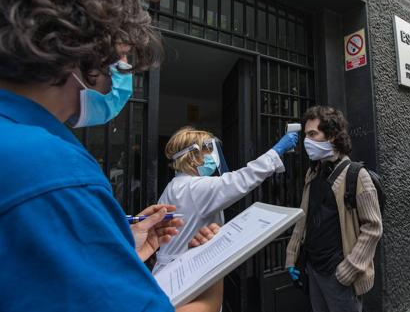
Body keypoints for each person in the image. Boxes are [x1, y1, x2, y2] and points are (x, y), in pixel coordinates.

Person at [0, 0, 193, 310]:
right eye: (119, 58)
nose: (120, 72)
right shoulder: (48, 168)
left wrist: (121, 243)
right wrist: (209, 294)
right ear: (84, 47)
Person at [153, 126, 297, 311]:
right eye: (209, 150)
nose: (213, 157)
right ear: (193, 157)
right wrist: (276, 151)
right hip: (187, 280)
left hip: (170, 275)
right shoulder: (195, 188)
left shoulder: (176, 185)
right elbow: (241, 179)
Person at [285, 106, 382, 312]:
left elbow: (373, 227)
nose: (306, 141)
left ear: (331, 136)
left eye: (313, 134)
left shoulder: (357, 175)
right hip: (314, 270)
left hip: (340, 276)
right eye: (305, 135)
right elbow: (304, 218)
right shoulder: (313, 173)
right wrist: (292, 256)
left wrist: (349, 269)